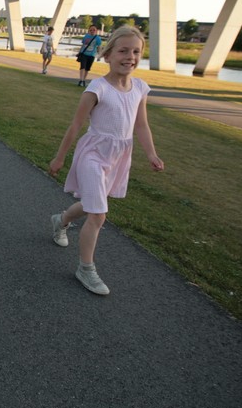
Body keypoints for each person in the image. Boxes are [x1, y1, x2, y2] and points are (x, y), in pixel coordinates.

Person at [48, 26, 164, 296]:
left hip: (118, 156)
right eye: (123, 51)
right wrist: (59, 157)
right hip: (93, 154)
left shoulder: (140, 88)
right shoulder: (97, 88)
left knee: (92, 204)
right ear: (108, 55)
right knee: (98, 214)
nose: (130, 57)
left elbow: (141, 125)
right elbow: (76, 125)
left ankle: (61, 220)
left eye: (136, 52)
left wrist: (151, 154)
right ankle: (86, 269)